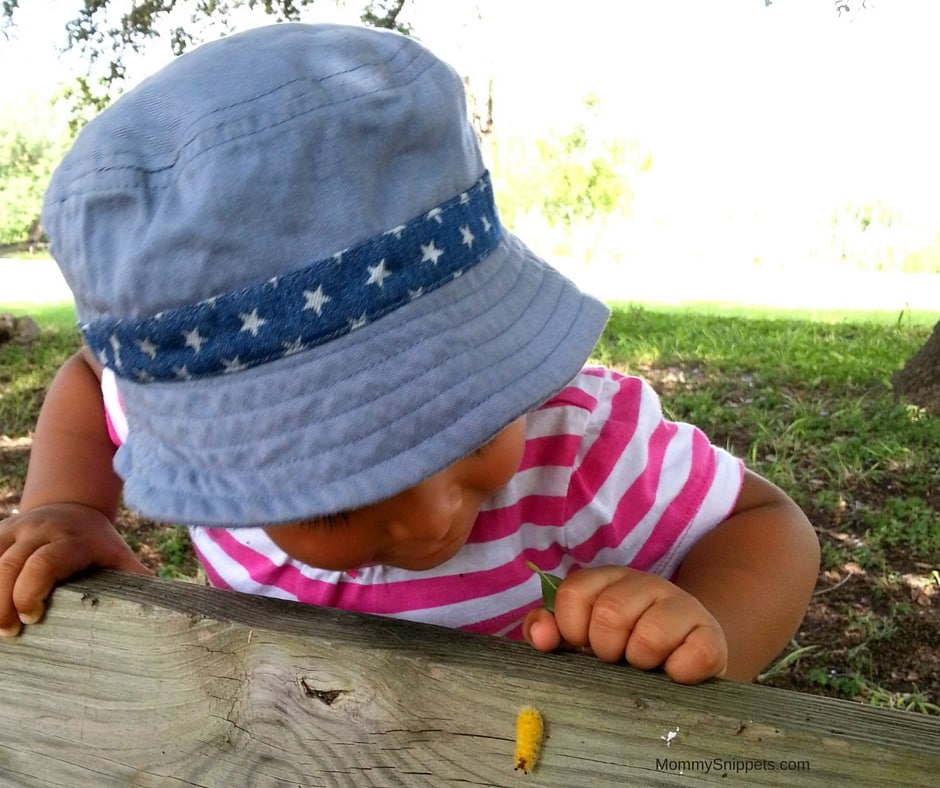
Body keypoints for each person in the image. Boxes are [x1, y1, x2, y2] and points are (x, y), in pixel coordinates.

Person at [0, 23, 819, 684]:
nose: (433, 515)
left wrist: (708, 629)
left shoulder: (571, 447)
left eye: (468, 428)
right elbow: (89, 377)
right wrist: (70, 506)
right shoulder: (179, 405)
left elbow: (768, 527)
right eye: (334, 498)